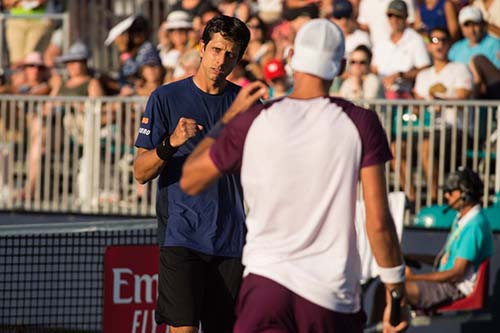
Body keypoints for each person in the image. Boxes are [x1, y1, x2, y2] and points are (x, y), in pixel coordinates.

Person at [180, 19, 408, 333]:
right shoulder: (362, 122)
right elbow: (379, 221)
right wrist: (396, 292)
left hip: (265, 290)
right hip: (330, 295)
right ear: (341, 66)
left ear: (290, 58)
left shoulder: (256, 120)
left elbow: (190, 177)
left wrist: (229, 119)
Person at [133, 15, 254, 333]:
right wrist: (170, 142)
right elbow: (140, 171)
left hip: (231, 242)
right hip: (181, 237)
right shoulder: (165, 98)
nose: (221, 59)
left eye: (230, 53)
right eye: (216, 50)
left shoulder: (247, 104)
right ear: (202, 48)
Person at [405, 167, 493, 310]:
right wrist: (412, 257)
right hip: (447, 284)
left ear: (465, 194)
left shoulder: (474, 227)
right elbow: (448, 260)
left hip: (454, 288)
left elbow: (456, 274)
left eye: (451, 192)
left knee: (396, 289)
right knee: (390, 285)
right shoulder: (463, 219)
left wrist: (414, 278)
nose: (446, 196)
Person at [372, 0, 431, 99]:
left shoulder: (416, 39)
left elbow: (425, 69)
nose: (394, 19)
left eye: (398, 16)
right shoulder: (381, 40)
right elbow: (373, 68)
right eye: (390, 15)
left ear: (406, 17)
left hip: (404, 95)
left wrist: (400, 75)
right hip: (381, 93)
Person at [449, 6, 500, 99]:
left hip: (489, 95)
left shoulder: (495, 44)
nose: (471, 30)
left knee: (478, 60)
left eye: (475, 24)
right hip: (464, 96)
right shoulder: (456, 48)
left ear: (482, 25)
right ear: (461, 27)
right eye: (467, 25)